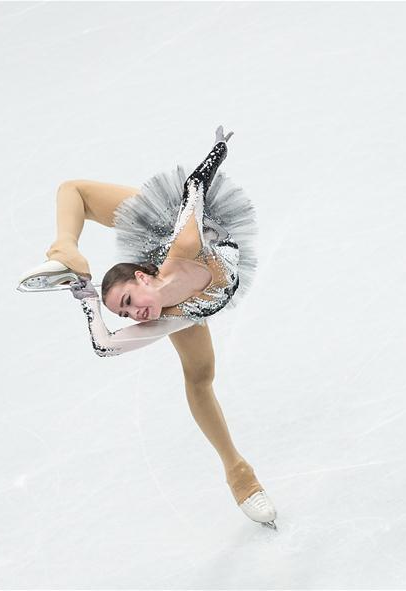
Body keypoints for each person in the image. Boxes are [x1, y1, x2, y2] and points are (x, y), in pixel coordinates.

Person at [17, 126, 277, 529]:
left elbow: (195, 187)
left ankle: (67, 249)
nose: (133, 316)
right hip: (182, 302)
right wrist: (86, 297)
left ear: (141, 280)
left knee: (81, 192)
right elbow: (106, 347)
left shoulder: (184, 244)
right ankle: (239, 474)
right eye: (123, 315)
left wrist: (219, 149)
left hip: (164, 230)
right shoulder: (168, 318)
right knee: (200, 377)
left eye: (126, 305)